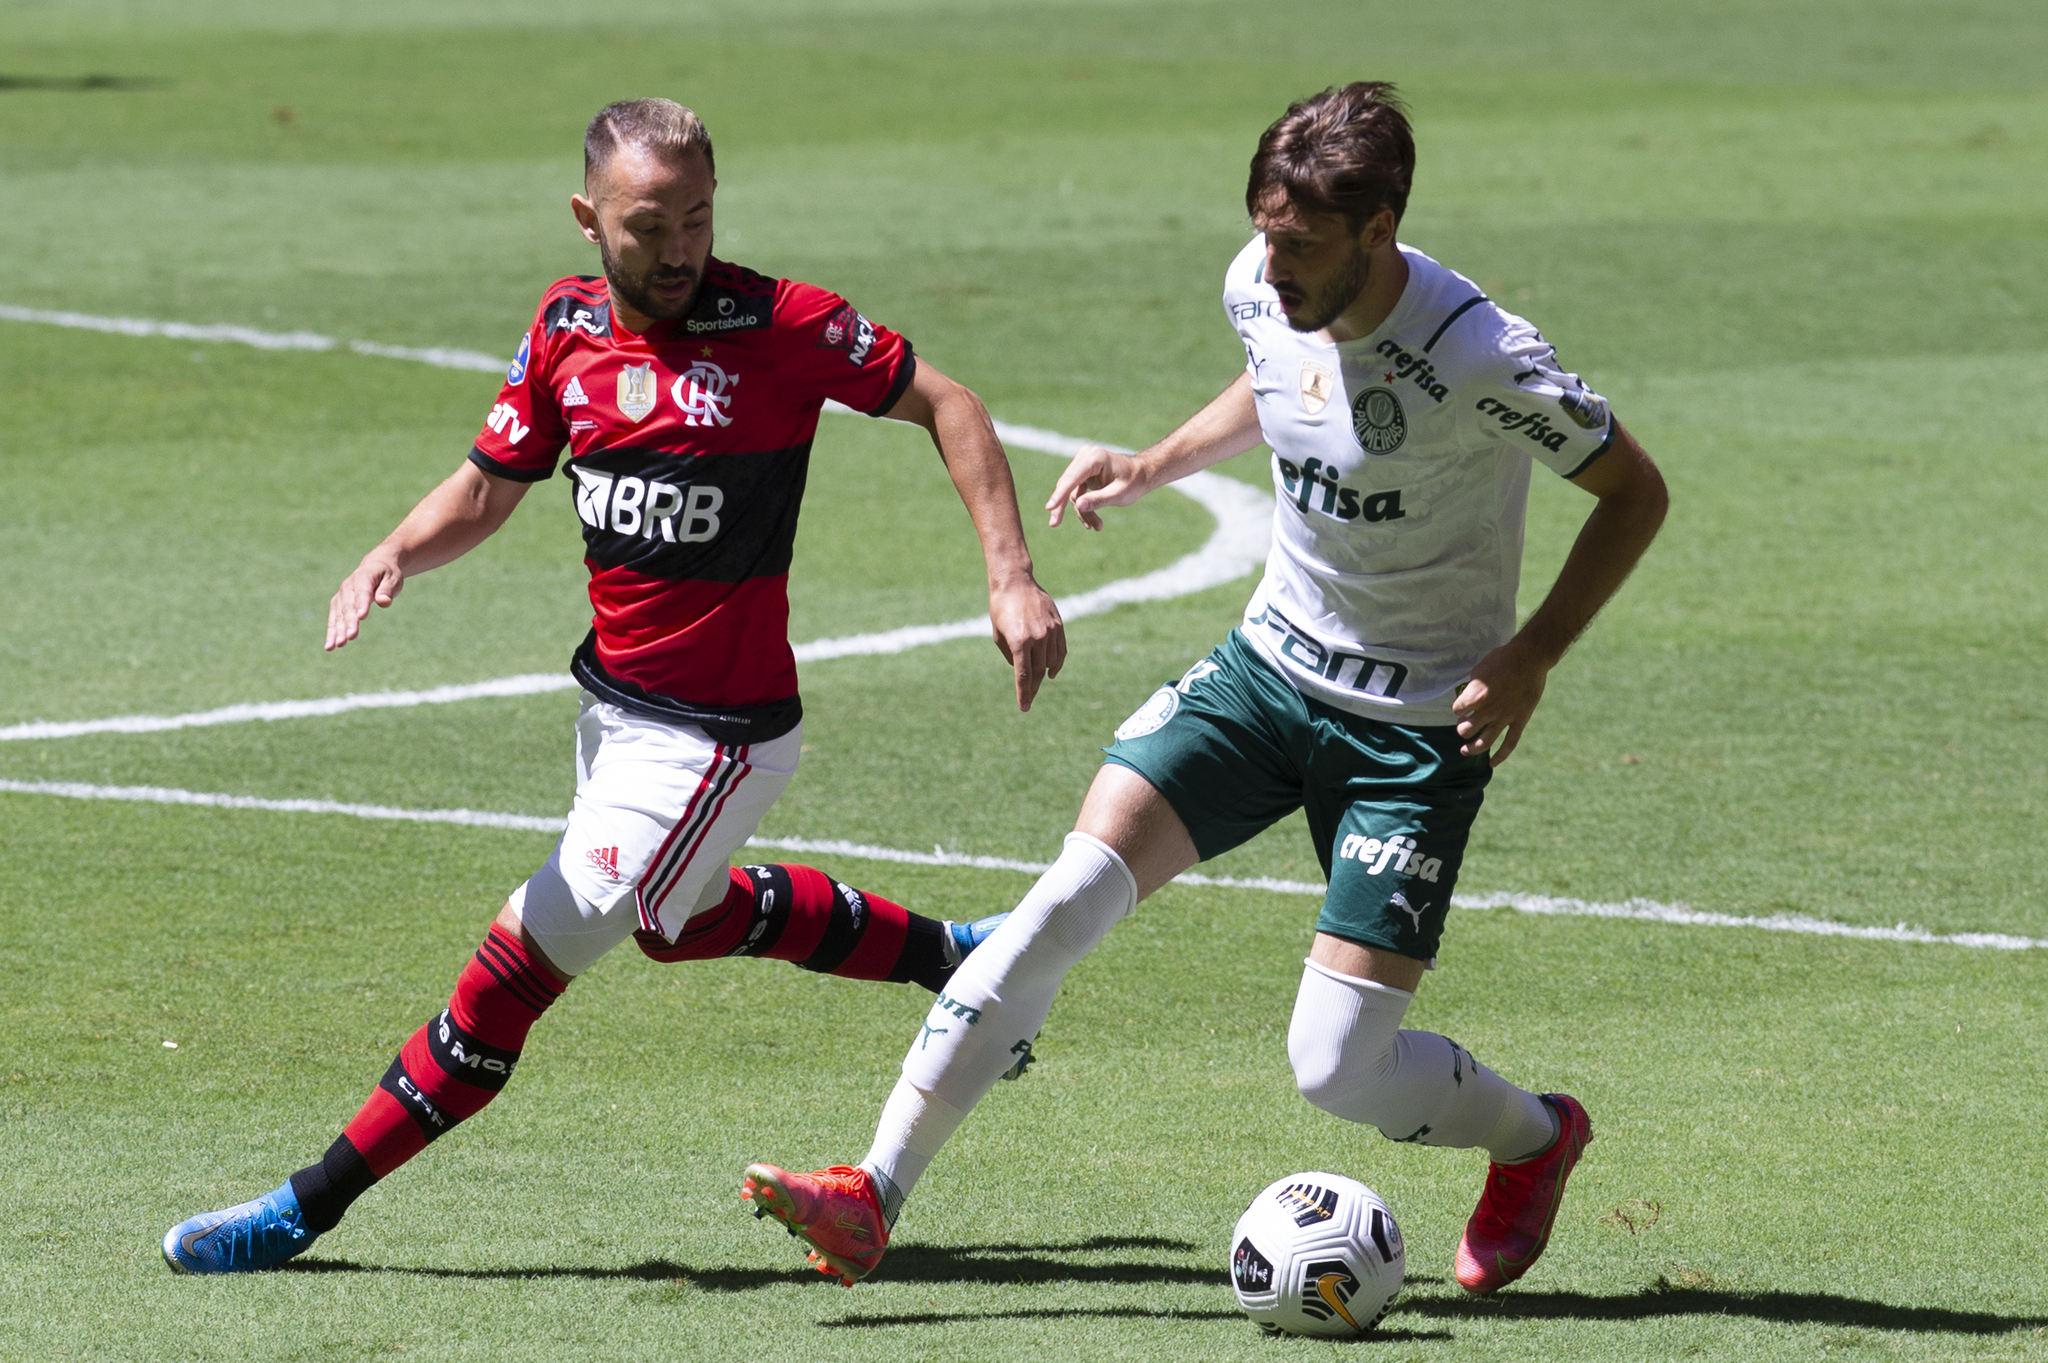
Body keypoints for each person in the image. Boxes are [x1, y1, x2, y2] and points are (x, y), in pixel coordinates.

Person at [743, 81, 1667, 1296]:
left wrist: (1532, 652)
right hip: (1264, 675)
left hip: (1413, 730)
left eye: (1300, 243)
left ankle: (1537, 1139)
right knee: (1062, 899)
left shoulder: (1481, 356)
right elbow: (1285, 381)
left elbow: (1631, 494)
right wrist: (1159, 457)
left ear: (1379, 228)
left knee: (1335, 1069)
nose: (1270, 264)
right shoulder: (1260, 286)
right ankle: (873, 1192)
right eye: (1264, 232)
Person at [161, 97, 1066, 1274]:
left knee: (515, 969)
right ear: (589, 218)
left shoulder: (780, 324)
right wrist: (393, 550)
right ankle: (955, 953)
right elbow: (489, 484)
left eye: (697, 216)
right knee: (673, 923)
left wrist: (1010, 576)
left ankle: (301, 1209)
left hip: (719, 735)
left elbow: (950, 403)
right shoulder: (565, 326)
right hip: (614, 715)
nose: (680, 246)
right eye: (650, 224)